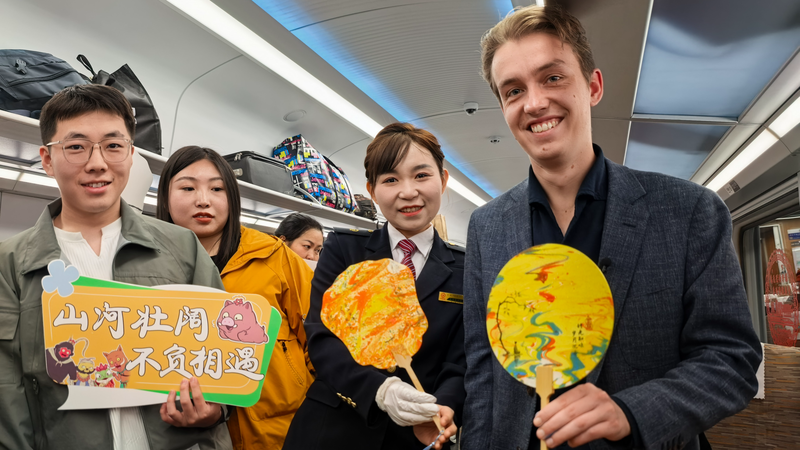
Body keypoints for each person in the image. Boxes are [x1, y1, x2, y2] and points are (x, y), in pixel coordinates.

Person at [462, 5, 762, 450]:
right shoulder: (486, 227)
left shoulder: (689, 211)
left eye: (552, 77)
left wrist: (631, 412)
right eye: (514, 90)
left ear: (593, 86)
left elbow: (731, 360)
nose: (534, 102)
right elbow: (483, 376)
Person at [0, 85, 232, 450]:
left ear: (131, 154)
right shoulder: (11, 264)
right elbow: (7, 393)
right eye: (76, 146)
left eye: (113, 145)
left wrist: (215, 409)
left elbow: (226, 361)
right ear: (47, 159)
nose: (97, 162)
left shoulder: (183, 248)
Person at [283, 123, 466, 450]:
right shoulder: (344, 249)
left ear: (443, 180)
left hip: (416, 434)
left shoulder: (465, 268)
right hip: (333, 428)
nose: (408, 192)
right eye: (391, 180)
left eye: (421, 175)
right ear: (372, 190)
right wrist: (380, 390)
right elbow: (322, 337)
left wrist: (446, 405)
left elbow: (461, 359)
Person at [156, 145, 315, 450]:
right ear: (165, 197)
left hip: (280, 432)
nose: (203, 200)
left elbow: (319, 338)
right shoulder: (145, 267)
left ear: (232, 198)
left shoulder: (274, 256)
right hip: (181, 435)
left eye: (217, 189)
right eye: (188, 188)